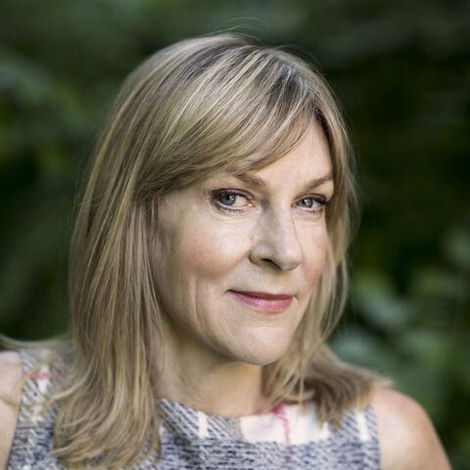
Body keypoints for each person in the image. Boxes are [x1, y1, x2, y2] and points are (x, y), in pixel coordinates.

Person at [0, 34, 451, 470]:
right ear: (135, 213)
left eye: (310, 202)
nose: (286, 252)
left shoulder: (386, 445)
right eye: (233, 198)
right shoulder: (13, 421)